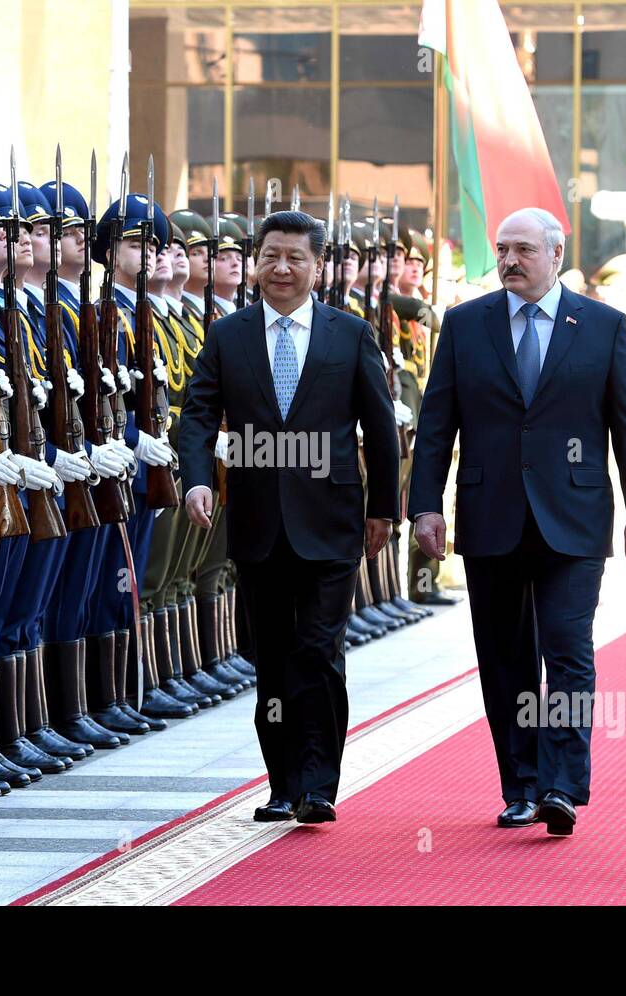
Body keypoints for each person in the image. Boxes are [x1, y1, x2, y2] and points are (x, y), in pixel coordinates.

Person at [409, 207, 626, 837]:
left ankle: (562, 786)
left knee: (569, 653)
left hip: (573, 520)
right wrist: (427, 506)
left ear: (555, 252)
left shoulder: (601, 326)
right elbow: (437, 424)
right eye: (502, 249)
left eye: (523, 249)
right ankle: (520, 785)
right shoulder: (466, 326)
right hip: (491, 515)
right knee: (505, 659)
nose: (510, 261)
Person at [178, 209, 399, 824]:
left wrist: (385, 509)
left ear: (317, 266)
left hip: (330, 521)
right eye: (271, 255)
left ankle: (317, 783)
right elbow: (197, 414)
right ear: (257, 261)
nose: (281, 268)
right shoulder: (228, 335)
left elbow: (380, 428)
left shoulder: (349, 334)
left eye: (295, 258)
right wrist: (197, 480)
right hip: (256, 521)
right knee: (270, 654)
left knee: (319, 648)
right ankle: (280, 782)